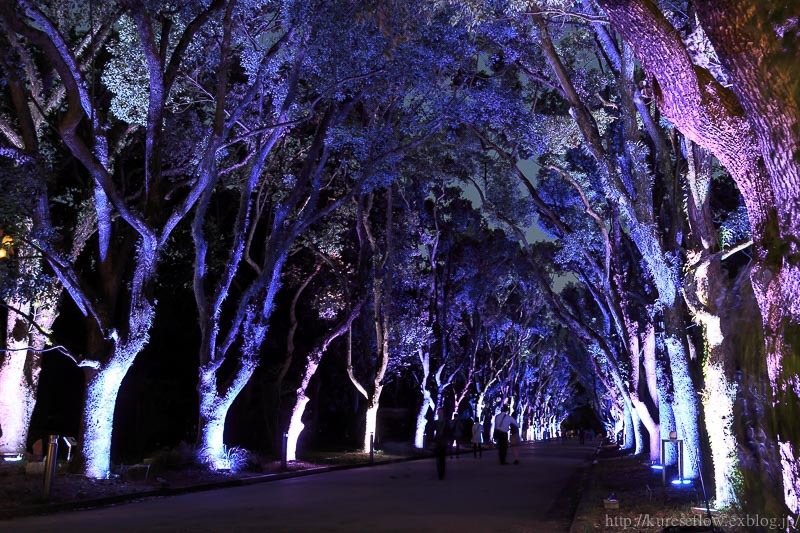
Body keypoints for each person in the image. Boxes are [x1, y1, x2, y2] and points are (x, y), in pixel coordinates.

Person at [434, 408, 450, 480]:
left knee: (442, 459)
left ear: (443, 413)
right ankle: (439, 473)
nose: (440, 413)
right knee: (438, 459)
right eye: (438, 412)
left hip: (443, 442)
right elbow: (432, 431)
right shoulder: (436, 422)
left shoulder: (446, 422)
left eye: (441, 412)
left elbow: (449, 431)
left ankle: (442, 474)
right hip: (437, 442)